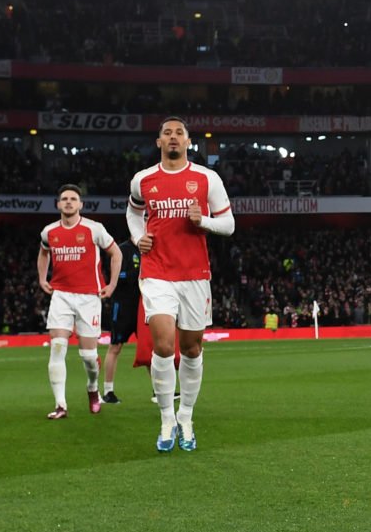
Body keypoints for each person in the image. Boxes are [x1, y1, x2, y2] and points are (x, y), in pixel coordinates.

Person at [127, 116, 235, 452]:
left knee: (191, 349)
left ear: (189, 142)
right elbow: (133, 212)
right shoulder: (143, 180)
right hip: (157, 271)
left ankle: (186, 416)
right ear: (158, 142)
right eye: (166, 133)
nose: (173, 138)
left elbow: (229, 224)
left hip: (194, 275)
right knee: (162, 345)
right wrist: (137, 237)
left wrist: (201, 221)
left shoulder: (207, 178)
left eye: (179, 133)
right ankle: (166, 419)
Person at [39, 183, 121, 420]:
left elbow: (116, 253)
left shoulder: (94, 229)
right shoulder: (49, 232)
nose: (68, 202)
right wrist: (42, 278)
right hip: (61, 295)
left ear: (80, 204)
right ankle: (61, 405)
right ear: (58, 204)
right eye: (64, 198)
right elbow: (43, 252)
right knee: (57, 347)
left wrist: (112, 284)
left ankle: (93, 389)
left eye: (73, 199)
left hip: (89, 297)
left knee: (88, 357)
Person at [99, 239, 143, 404]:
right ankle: (108, 392)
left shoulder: (147, 248)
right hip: (122, 307)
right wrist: (138, 272)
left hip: (142, 307)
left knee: (149, 348)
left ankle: (159, 390)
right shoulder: (122, 250)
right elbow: (117, 277)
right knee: (115, 347)